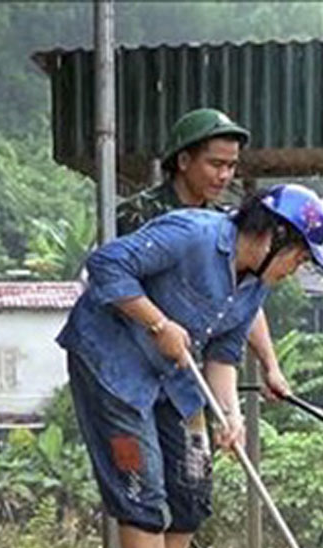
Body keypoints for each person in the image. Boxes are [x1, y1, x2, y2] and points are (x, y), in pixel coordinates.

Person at [58, 184, 323, 548]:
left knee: (190, 487)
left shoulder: (253, 288)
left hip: (174, 376)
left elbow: (223, 356)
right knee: (141, 486)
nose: (295, 271)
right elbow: (105, 266)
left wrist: (230, 415)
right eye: (299, 258)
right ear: (272, 238)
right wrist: (158, 323)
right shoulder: (193, 234)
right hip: (112, 365)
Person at [118, 108, 290, 400]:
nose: (224, 176)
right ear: (183, 160)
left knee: (198, 444)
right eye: (215, 164)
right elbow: (109, 278)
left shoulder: (228, 225)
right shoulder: (136, 216)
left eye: (232, 166)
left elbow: (241, 299)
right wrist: (159, 325)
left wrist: (270, 365)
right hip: (128, 361)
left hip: (187, 371)